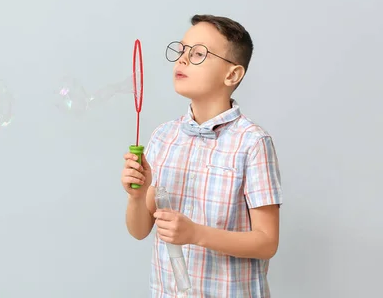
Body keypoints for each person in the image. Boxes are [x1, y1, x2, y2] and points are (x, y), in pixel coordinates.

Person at [121, 15, 283, 297]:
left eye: (197, 53)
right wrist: (137, 195)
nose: (182, 60)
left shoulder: (252, 142)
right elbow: (139, 230)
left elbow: (267, 242)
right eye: (182, 50)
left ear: (232, 74)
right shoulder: (163, 137)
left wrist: (196, 234)